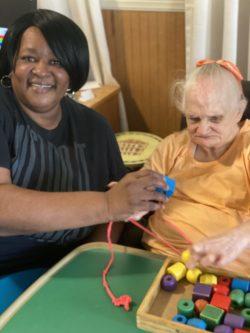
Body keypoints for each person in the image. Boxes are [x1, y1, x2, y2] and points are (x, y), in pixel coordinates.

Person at [0, 7, 167, 306]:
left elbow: (117, 212)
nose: (41, 70)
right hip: (9, 272)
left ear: (74, 71)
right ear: (11, 62)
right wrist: (107, 205)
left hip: (77, 265)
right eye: (28, 58)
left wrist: (92, 259)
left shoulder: (95, 127)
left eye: (57, 61)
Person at [142, 59, 250, 277]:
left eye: (215, 118)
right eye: (194, 118)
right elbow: (143, 189)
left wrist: (238, 236)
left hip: (230, 277)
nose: (202, 129)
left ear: (239, 112)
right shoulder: (172, 147)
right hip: (162, 263)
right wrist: (132, 195)